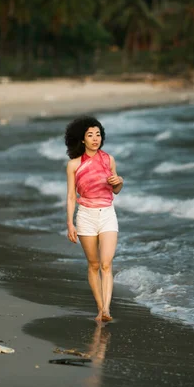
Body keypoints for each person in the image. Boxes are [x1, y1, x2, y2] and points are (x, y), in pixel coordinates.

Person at [65, 116, 124, 323]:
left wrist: (120, 181)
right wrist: (70, 223)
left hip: (107, 214)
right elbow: (72, 196)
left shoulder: (109, 160)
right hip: (86, 217)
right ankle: (100, 308)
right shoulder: (73, 165)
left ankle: (106, 310)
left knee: (107, 264)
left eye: (98, 134)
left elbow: (115, 190)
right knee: (94, 264)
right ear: (82, 139)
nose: (95, 138)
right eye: (90, 135)